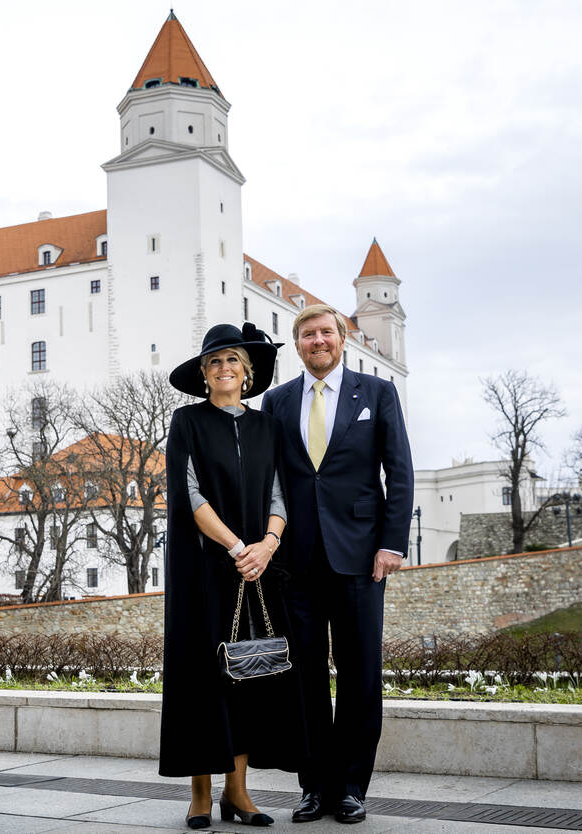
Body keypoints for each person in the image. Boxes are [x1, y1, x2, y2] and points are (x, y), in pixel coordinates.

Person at [261, 303, 413, 825]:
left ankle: (350, 787)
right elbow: (268, 480)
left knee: (360, 675)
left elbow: (400, 470)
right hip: (295, 561)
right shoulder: (276, 402)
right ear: (298, 344)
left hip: (361, 558)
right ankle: (313, 786)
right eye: (307, 335)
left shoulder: (377, 394)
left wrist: (392, 543)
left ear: (342, 339)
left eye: (326, 332)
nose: (317, 341)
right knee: (302, 678)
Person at [160, 322, 305, 830]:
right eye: (215, 362)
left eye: (233, 362)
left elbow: (280, 494)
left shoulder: (268, 428)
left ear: (247, 373)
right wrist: (237, 546)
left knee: (248, 678)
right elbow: (189, 493)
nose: (225, 369)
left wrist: (267, 544)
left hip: (259, 569)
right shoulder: (188, 423)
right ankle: (201, 794)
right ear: (204, 375)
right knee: (203, 678)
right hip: (205, 569)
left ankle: (238, 793)